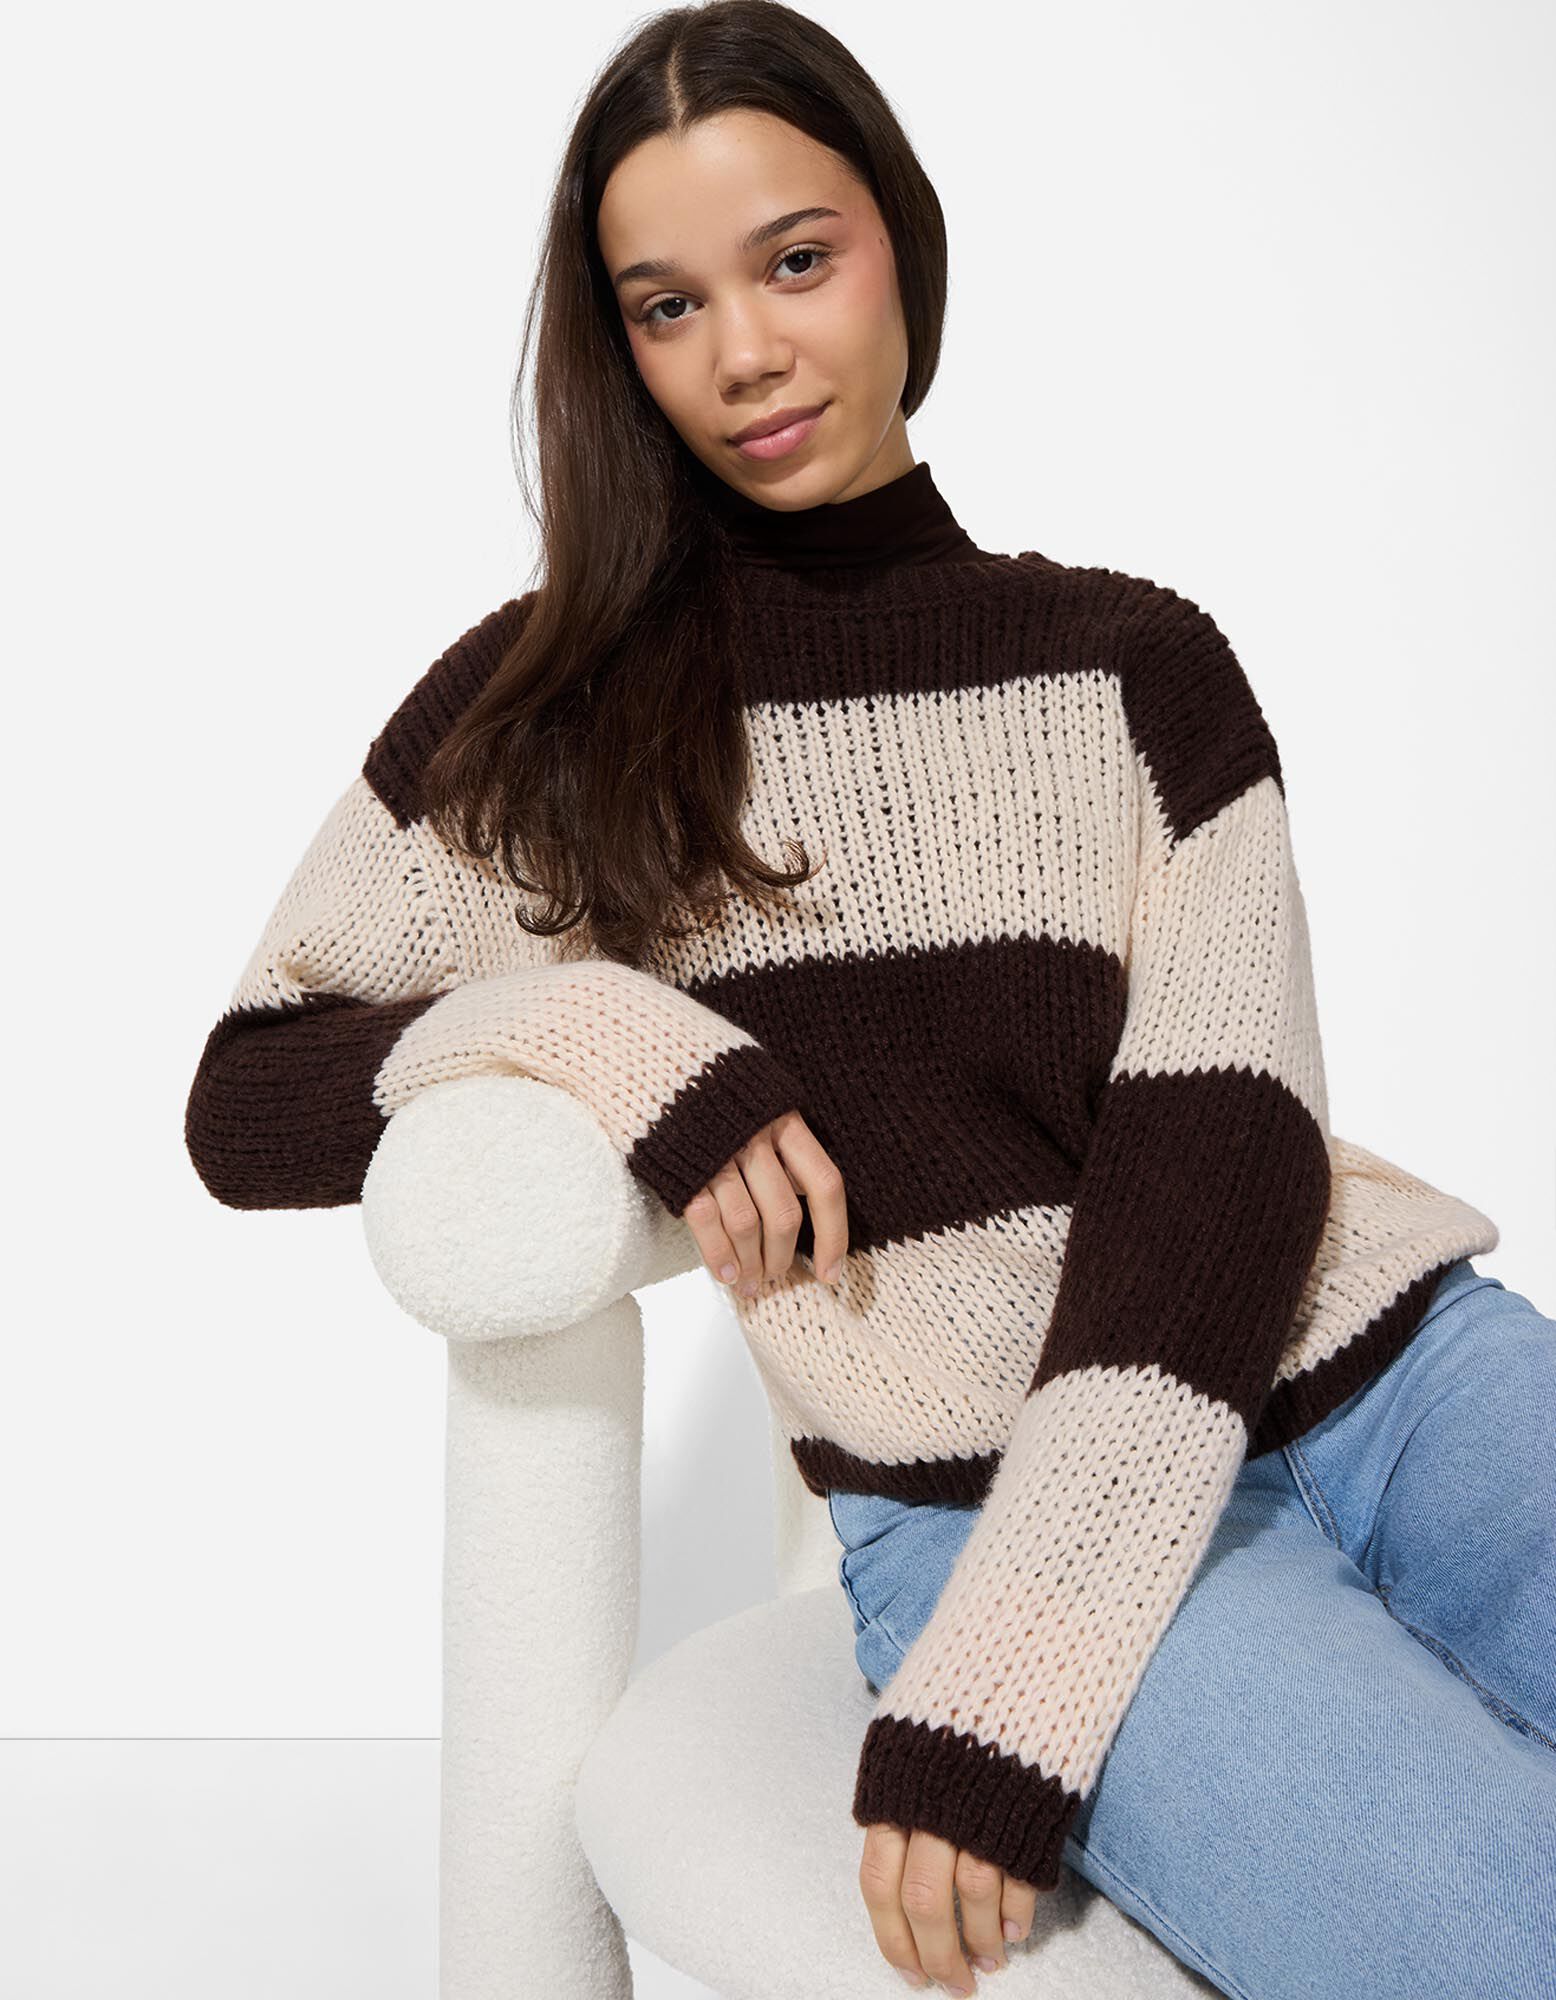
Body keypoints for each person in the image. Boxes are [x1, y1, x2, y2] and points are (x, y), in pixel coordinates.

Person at [182, 4, 1554, 1995]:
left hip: (1395, 1378)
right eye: (666, 306)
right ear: (618, 352)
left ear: (902, 243)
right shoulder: (551, 716)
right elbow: (248, 1092)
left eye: (796, 260)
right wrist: (608, 1033)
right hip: (968, 1491)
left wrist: (1031, 1653)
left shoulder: (1133, 664)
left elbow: (1221, 1156)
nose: (742, 352)